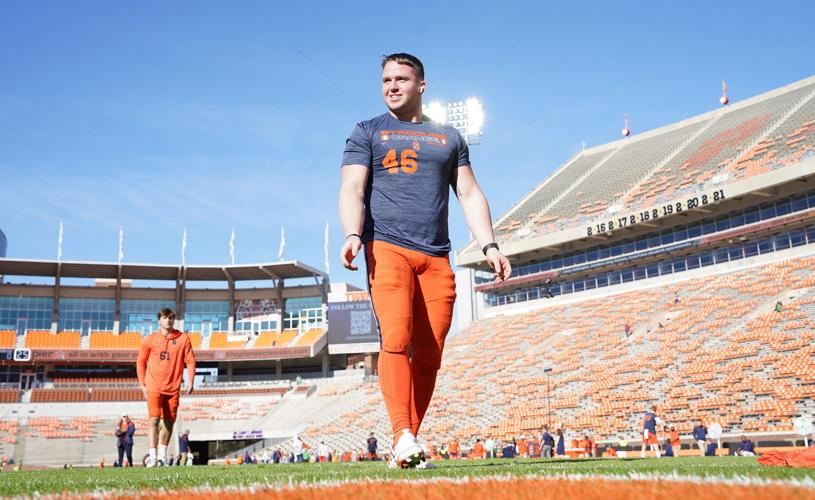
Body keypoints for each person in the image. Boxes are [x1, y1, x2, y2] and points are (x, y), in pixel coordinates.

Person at [339, 52, 510, 470]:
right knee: (395, 339)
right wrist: (352, 233)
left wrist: (489, 245)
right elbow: (352, 187)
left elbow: (469, 193)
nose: (392, 86)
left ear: (421, 85)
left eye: (401, 78)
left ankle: (407, 439)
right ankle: (402, 436)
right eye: (386, 80)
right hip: (387, 248)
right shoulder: (368, 131)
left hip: (436, 255)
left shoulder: (450, 137)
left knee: (431, 351)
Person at [137, 308, 196, 467]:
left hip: (173, 388)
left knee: (169, 423)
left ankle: (162, 456)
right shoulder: (150, 339)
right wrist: (142, 384)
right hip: (154, 386)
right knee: (154, 420)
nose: (168, 320)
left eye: (171, 318)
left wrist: (190, 380)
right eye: (164, 317)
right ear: (159, 320)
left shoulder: (183, 339)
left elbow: (190, 361)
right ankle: (153, 457)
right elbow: (141, 362)